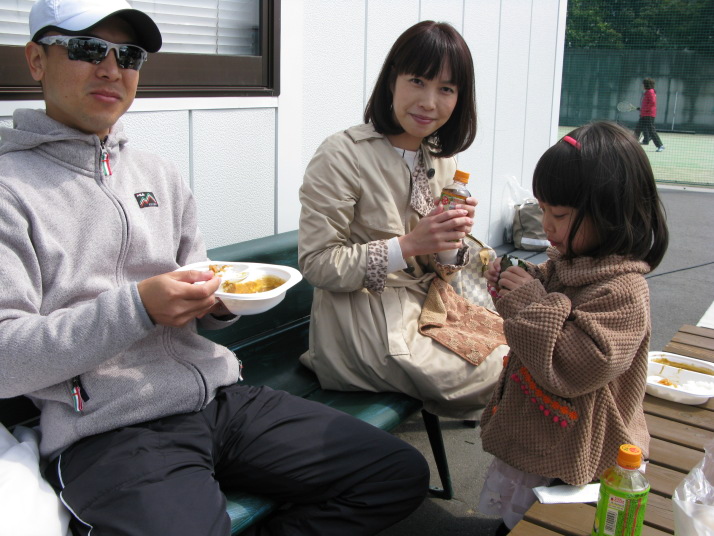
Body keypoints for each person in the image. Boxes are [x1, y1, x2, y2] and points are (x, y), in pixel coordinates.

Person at [0, 1, 430, 534]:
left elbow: (198, 292)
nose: (111, 69)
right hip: (108, 431)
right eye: (88, 49)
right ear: (36, 60)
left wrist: (218, 304)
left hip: (216, 397)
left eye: (128, 55)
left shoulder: (158, 174)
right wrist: (138, 307)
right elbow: (6, 359)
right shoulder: (10, 190)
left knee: (394, 472)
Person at [298, 20, 507, 422]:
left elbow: (442, 266)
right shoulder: (342, 155)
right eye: (417, 81)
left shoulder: (442, 160)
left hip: (429, 308)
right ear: (392, 80)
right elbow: (318, 264)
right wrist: (409, 244)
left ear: (460, 98)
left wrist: (451, 239)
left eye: (446, 89)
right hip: (361, 322)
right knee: (507, 371)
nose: (429, 102)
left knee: (526, 351)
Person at [478, 121, 669, 533]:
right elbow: (543, 313)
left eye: (559, 214)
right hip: (546, 430)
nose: (545, 224)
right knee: (519, 517)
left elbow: (573, 366)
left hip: (584, 450)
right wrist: (515, 284)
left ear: (610, 212)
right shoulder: (570, 263)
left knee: (555, 520)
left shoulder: (623, 290)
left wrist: (528, 300)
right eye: (543, 209)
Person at [634, 77, 664, 152]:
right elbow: (647, 104)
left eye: (643, 84)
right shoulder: (648, 92)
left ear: (646, 84)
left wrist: (644, 109)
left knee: (651, 130)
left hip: (649, 115)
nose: (642, 85)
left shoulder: (650, 92)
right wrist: (641, 109)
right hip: (644, 114)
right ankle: (632, 144)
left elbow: (652, 103)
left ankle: (660, 145)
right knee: (638, 129)